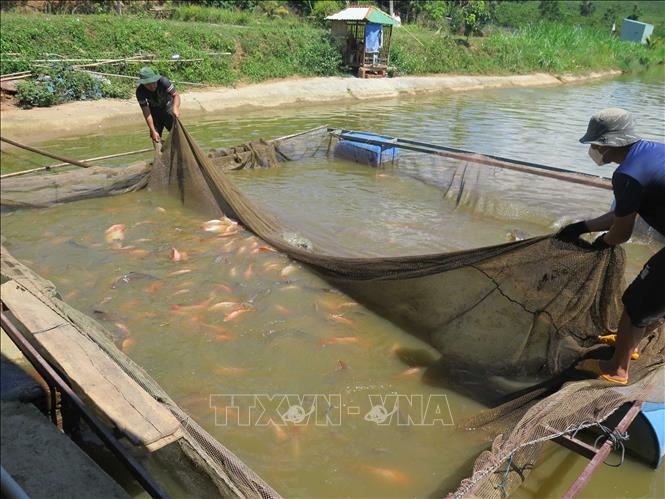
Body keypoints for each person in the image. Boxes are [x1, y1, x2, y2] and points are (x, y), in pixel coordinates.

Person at [557, 108, 665, 384]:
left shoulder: (627, 175)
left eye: (595, 143)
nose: (593, 149)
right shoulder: (652, 153)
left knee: (634, 304)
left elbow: (622, 233)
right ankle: (632, 345)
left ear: (608, 144)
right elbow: (622, 215)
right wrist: (582, 227)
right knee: (655, 297)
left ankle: (617, 369)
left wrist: (600, 243)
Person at [136, 67, 181, 143]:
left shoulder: (163, 81)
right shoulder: (140, 91)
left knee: (176, 132)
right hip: (154, 111)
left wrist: (175, 107)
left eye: (153, 82)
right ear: (143, 84)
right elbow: (146, 112)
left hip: (168, 107)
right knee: (155, 137)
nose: (152, 86)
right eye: (148, 84)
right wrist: (153, 130)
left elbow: (175, 95)